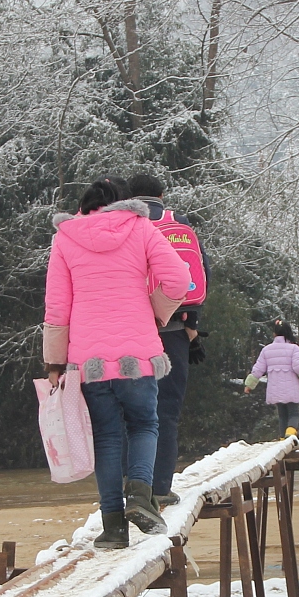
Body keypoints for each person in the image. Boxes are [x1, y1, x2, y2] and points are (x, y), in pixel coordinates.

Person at [45, 175, 189, 549]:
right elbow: (178, 279)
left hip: (87, 359)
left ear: (84, 204)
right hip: (137, 355)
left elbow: (57, 307)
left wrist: (54, 361)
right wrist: (156, 312)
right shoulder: (141, 228)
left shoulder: (65, 238)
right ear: (124, 202)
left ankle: (112, 528)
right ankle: (141, 495)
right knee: (144, 424)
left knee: (107, 438)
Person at [126, 174, 207, 509]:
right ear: (162, 195)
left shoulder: (121, 226)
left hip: (129, 331)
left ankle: (130, 491)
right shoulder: (179, 224)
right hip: (173, 330)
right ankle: (160, 487)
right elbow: (201, 275)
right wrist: (192, 325)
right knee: (166, 412)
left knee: (128, 413)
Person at [245, 319, 299, 437]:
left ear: (274, 334)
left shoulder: (266, 349)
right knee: (294, 414)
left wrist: (249, 385)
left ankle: (282, 439)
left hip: (275, 388)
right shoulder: (294, 348)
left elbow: (258, 369)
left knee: (282, 416)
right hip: (291, 388)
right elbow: (298, 367)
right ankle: (289, 435)